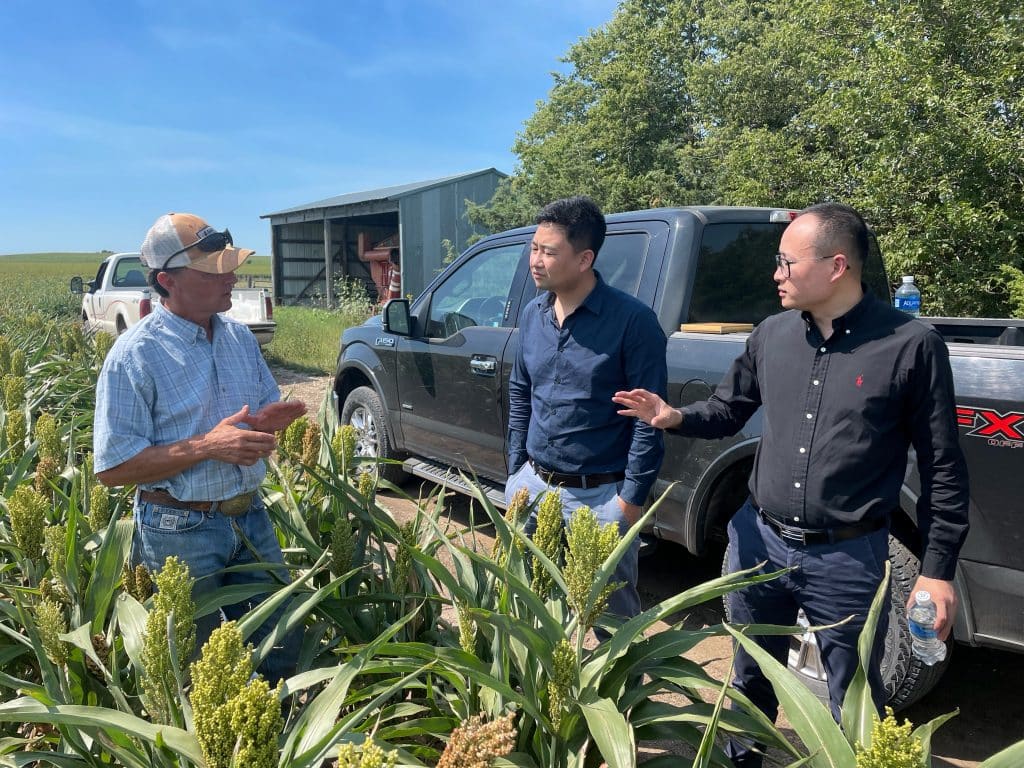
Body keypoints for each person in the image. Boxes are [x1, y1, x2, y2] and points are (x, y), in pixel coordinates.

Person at [613, 202, 969, 767]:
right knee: (750, 677)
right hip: (759, 543)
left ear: (836, 266)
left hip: (848, 558)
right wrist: (674, 416)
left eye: (785, 262)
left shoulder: (911, 346)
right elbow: (729, 410)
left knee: (852, 700)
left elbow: (943, 466)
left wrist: (937, 570)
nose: (775, 274)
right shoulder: (771, 335)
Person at [94, 212, 307, 684]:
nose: (231, 276)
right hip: (179, 529)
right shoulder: (134, 355)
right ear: (167, 281)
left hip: (250, 516)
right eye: (214, 270)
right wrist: (208, 445)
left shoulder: (237, 338)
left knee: (282, 640)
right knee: (199, 671)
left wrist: (265, 421)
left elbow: (262, 404)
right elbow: (112, 468)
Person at [505, 196, 668, 629]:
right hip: (533, 487)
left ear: (584, 258)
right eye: (534, 248)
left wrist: (629, 502)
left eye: (548, 251)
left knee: (609, 624)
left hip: (599, 500)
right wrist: (515, 471)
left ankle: (618, 696)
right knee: (529, 612)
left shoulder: (633, 322)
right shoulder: (533, 314)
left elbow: (648, 420)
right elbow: (522, 393)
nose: (535, 261)